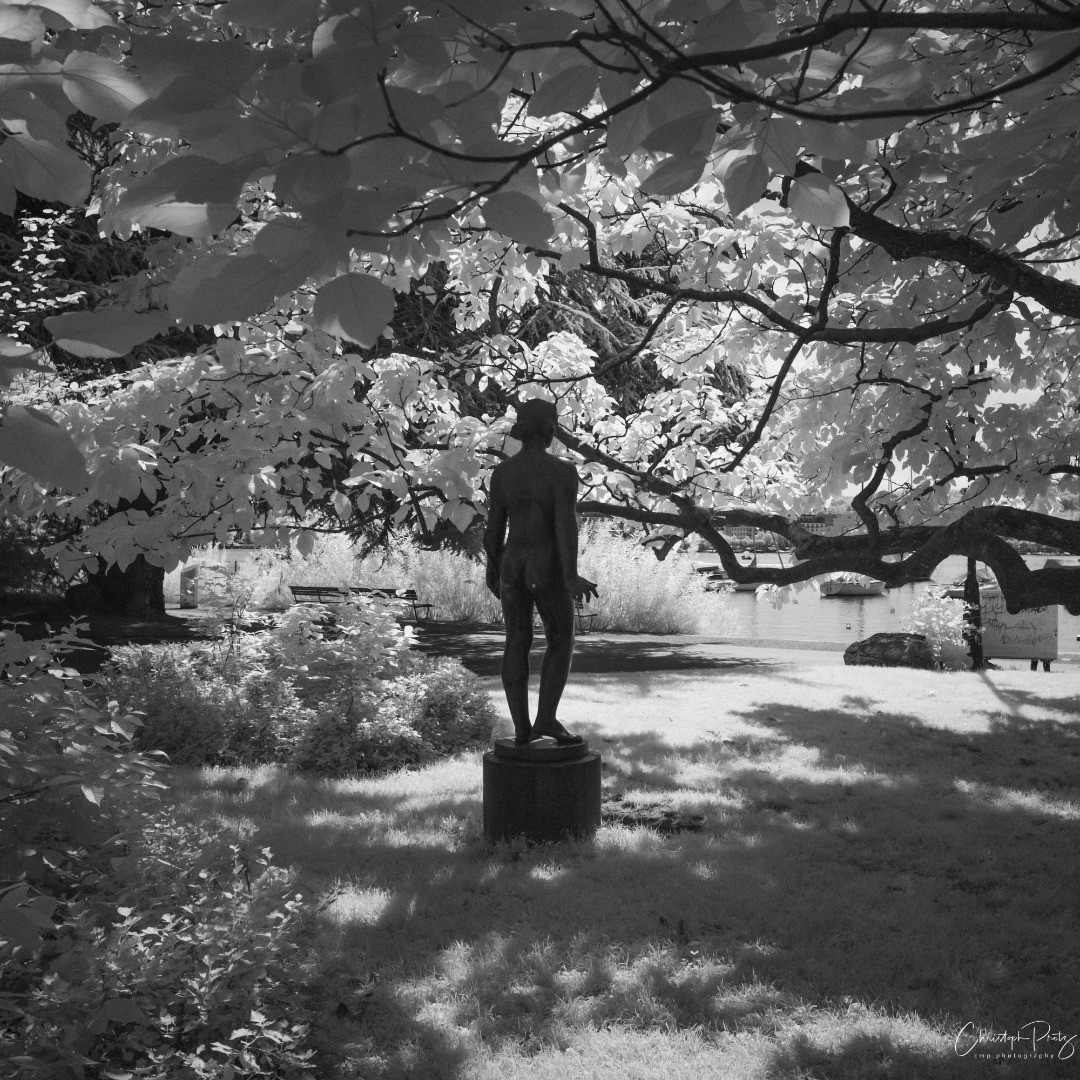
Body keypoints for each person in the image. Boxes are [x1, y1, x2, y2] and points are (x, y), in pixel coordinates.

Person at [483, 398, 599, 745]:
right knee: (561, 639)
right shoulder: (561, 471)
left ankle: (521, 729)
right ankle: (545, 719)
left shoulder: (502, 473)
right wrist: (570, 575)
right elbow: (565, 525)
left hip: (512, 564)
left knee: (516, 641)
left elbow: (493, 530)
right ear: (550, 429)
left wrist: (494, 569)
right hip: (546, 563)